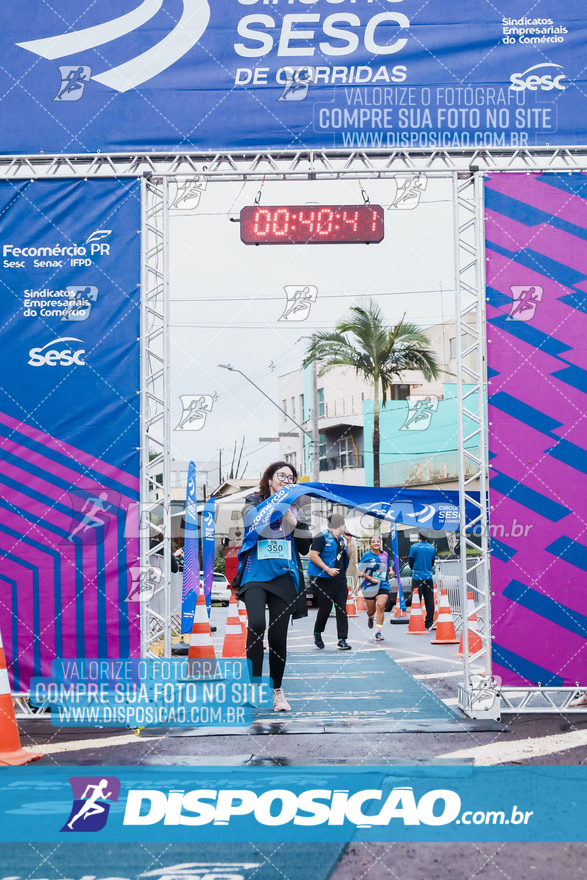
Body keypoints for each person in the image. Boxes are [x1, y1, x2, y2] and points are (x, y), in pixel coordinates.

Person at [232, 461, 311, 712]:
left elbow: (304, 548)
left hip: (284, 576)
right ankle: (253, 686)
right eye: (282, 476)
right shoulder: (253, 501)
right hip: (255, 574)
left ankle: (277, 692)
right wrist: (278, 507)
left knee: (278, 636)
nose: (286, 481)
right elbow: (252, 524)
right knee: (256, 624)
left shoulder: (298, 509)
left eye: (291, 478)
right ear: (270, 480)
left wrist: (295, 522)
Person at [308, 513, 352, 651]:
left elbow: (348, 556)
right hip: (324, 579)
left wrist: (349, 542)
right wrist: (327, 569)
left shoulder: (340, 540)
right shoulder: (321, 536)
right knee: (325, 609)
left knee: (342, 609)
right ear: (341, 525)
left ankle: (342, 639)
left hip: (340, 578)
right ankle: (317, 632)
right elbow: (313, 555)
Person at [357, 535, 390, 641]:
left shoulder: (385, 554)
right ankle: (370, 617)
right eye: (374, 542)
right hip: (369, 586)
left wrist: (391, 570)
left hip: (383, 583)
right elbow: (360, 571)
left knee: (380, 606)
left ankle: (378, 632)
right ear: (370, 544)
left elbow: (388, 566)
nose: (376, 543)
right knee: (371, 610)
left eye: (378, 541)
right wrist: (370, 578)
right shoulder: (366, 555)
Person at [409, 531, 437, 631]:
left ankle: (416, 622)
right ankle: (429, 623)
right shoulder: (431, 548)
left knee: (416, 600)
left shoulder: (414, 547)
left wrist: (415, 569)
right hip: (428, 577)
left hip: (417, 577)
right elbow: (432, 562)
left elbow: (410, 562)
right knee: (429, 600)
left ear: (418, 536)